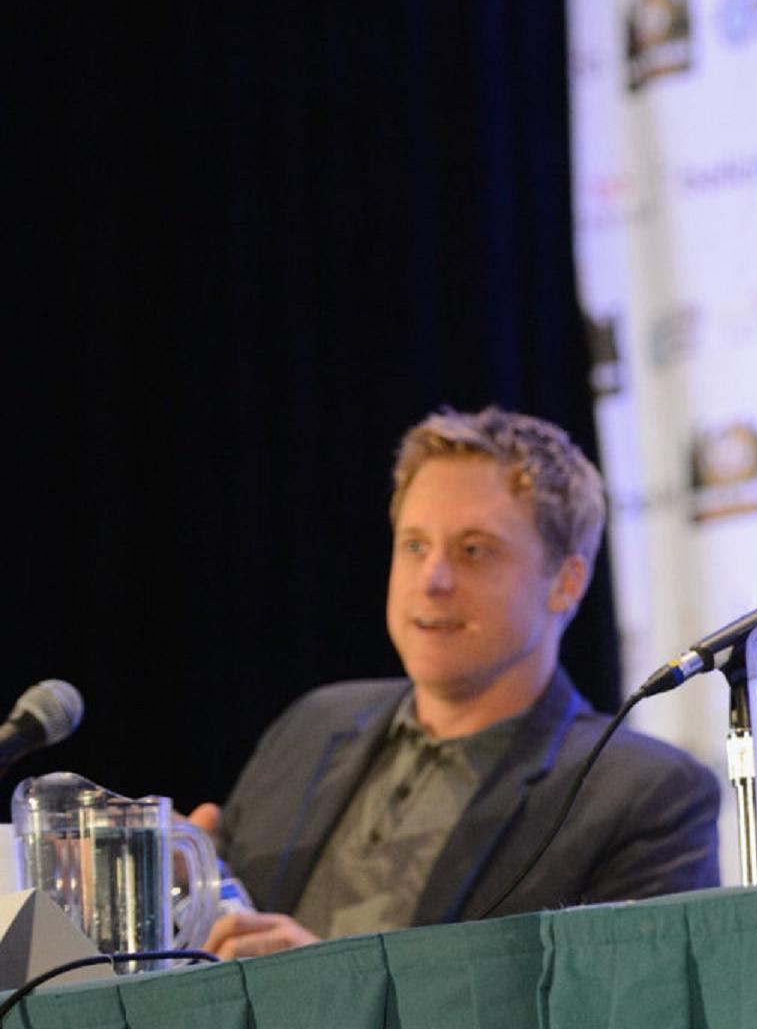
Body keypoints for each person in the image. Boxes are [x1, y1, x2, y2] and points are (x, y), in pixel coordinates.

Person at [195, 407, 720, 958]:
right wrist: (179, 882)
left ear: (566, 583)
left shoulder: (642, 795)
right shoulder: (312, 725)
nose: (433, 580)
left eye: (474, 551)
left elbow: (612, 1024)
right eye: (415, 545)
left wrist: (326, 991)